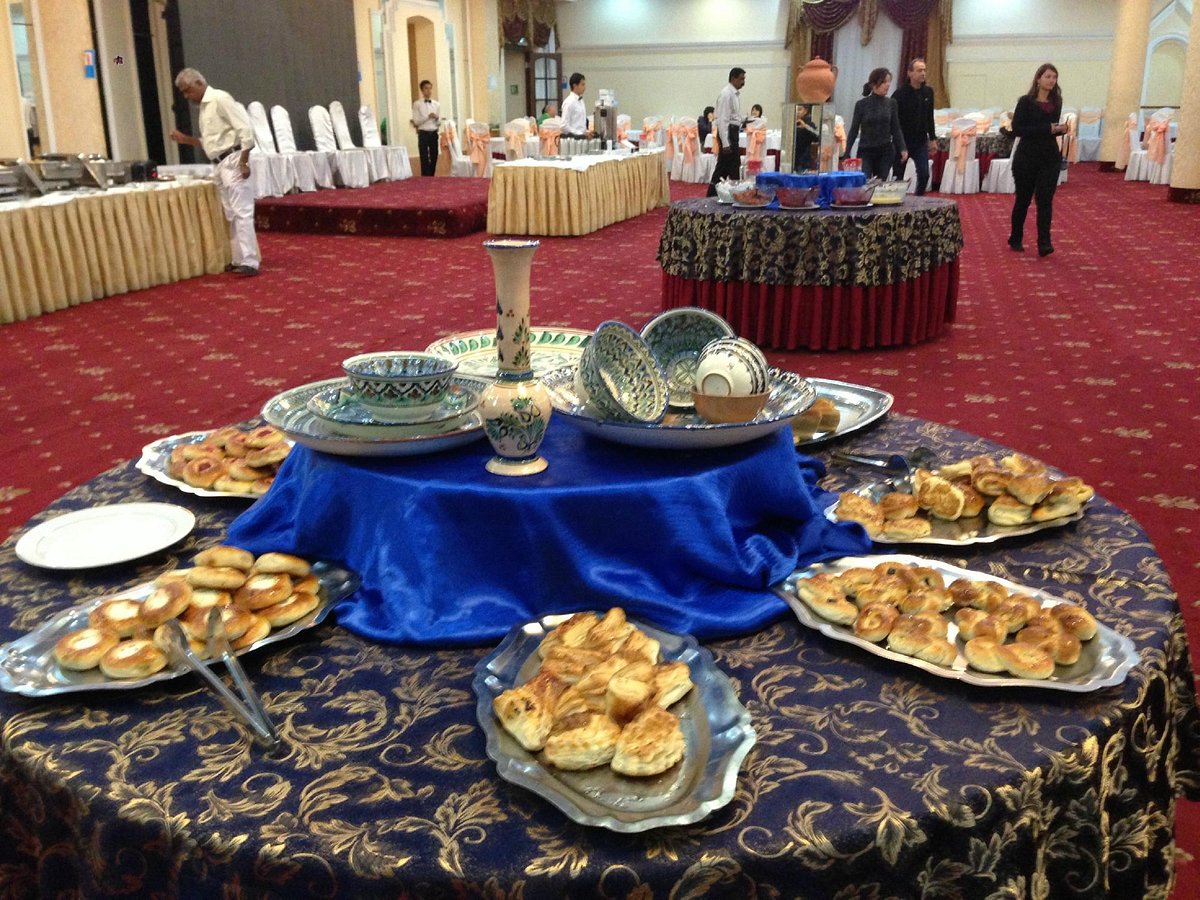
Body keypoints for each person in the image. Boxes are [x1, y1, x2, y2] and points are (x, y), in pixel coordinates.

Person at [169, 68, 259, 277]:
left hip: (234, 159)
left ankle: (250, 261)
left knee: (242, 212)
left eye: (187, 90)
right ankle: (238, 258)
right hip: (219, 163)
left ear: (199, 83)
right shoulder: (204, 108)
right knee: (231, 213)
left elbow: (245, 130)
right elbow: (212, 143)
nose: (186, 96)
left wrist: (244, 162)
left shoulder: (220, 98)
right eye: (183, 92)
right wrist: (185, 139)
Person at [1008, 63, 1069, 257]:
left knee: (1045, 200)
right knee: (1023, 199)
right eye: (1048, 76)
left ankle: (1044, 242)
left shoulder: (1056, 102)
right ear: (1038, 79)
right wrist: (1046, 129)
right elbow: (1017, 129)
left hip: (1049, 157)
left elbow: (1051, 129)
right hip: (1026, 157)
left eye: (1054, 77)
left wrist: (1060, 129)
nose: (1051, 80)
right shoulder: (1025, 102)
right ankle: (1015, 237)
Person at [844, 67, 907, 180]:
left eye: (889, 82)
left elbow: (896, 128)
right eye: (884, 82)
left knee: (880, 183)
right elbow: (854, 129)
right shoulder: (861, 105)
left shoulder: (891, 103)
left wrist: (903, 148)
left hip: (885, 151)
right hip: (865, 151)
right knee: (865, 180)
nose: (888, 85)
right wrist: (847, 151)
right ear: (873, 84)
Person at [891, 58, 937, 194]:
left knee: (924, 174)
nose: (923, 73)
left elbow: (930, 117)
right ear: (910, 73)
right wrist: (898, 142)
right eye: (919, 70)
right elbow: (894, 121)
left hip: (920, 142)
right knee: (898, 175)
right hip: (902, 142)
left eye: (924, 70)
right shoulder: (899, 94)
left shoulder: (928, 92)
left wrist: (932, 138)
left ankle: (918, 199)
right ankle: (896, 200)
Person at [707, 67, 746, 197]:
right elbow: (722, 120)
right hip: (728, 134)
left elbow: (733, 117)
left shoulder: (734, 94)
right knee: (729, 167)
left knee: (726, 167)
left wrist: (743, 121)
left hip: (732, 132)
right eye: (741, 79)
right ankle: (735, 195)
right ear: (733, 78)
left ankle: (721, 195)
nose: (743, 82)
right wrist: (725, 143)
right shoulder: (726, 94)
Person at [410, 79, 440, 177]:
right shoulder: (417, 104)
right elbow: (416, 121)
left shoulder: (436, 104)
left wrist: (436, 118)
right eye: (426, 88)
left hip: (433, 132)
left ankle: (431, 175)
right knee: (424, 156)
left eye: (430, 88)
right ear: (422, 90)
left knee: (434, 155)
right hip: (423, 132)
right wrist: (428, 117)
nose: (429, 91)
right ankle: (425, 178)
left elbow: (439, 123)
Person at [561, 73, 590, 138]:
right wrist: (579, 133)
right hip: (572, 139)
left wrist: (586, 132)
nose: (584, 87)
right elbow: (564, 126)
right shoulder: (569, 102)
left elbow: (579, 124)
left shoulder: (581, 101)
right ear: (575, 86)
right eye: (582, 84)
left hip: (581, 138)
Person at [793, 104, 820, 172]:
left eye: (799, 109)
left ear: (805, 111)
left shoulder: (809, 123)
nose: (797, 112)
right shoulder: (792, 122)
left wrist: (805, 126)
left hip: (804, 158)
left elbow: (817, 137)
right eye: (796, 110)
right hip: (793, 157)